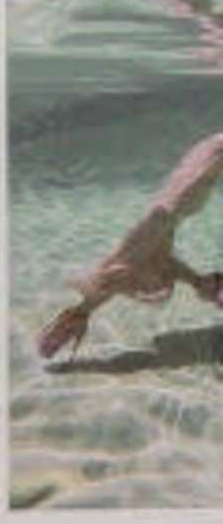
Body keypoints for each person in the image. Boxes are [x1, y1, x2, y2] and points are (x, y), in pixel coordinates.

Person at [40, 129, 223, 359]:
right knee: (132, 266)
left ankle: (73, 320)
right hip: (170, 208)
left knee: (142, 264)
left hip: (172, 207)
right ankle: (72, 320)